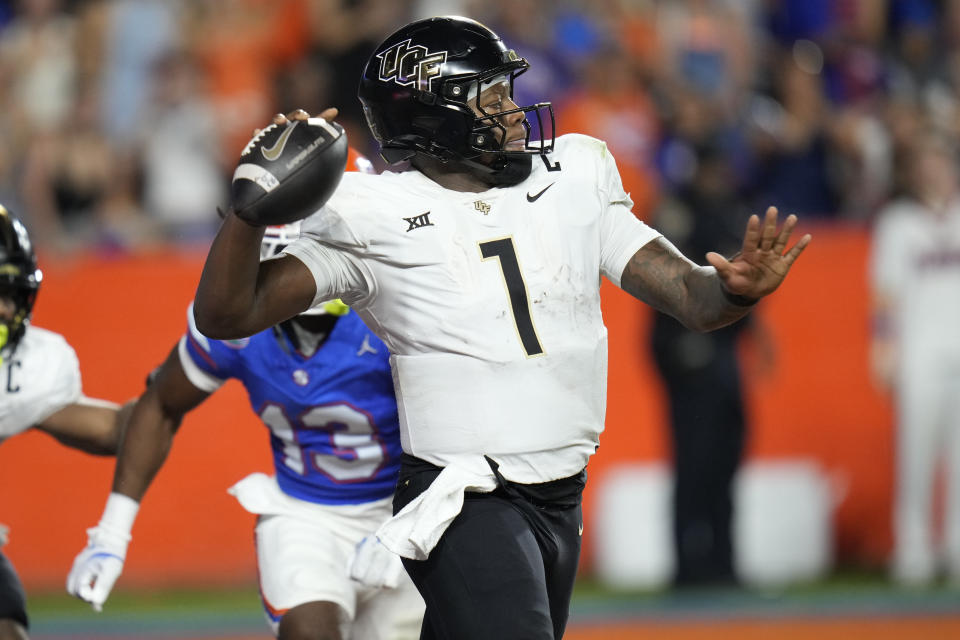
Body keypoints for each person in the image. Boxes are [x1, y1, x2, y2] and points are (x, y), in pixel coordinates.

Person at [191, 16, 811, 640]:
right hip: (460, 491)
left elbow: (689, 296)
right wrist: (251, 208)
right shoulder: (371, 213)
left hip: (561, 488)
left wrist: (732, 291)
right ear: (436, 117)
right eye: (493, 98)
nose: (515, 111)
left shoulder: (575, 172)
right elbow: (227, 315)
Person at [66, 152, 423, 640]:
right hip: (306, 514)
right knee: (309, 632)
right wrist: (111, 531)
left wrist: (413, 515)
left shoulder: (399, 312)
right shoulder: (232, 326)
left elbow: (465, 420)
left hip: (407, 505)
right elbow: (162, 403)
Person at [0, 204, 132, 640]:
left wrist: (172, 390)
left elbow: (114, 432)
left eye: (10, 294)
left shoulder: (26, 369)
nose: (4, 310)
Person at [869, 129, 960, 587]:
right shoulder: (898, 223)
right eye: (925, 162)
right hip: (919, 353)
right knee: (917, 455)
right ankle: (914, 550)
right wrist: (883, 350)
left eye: (940, 160)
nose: (934, 171)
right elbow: (886, 295)